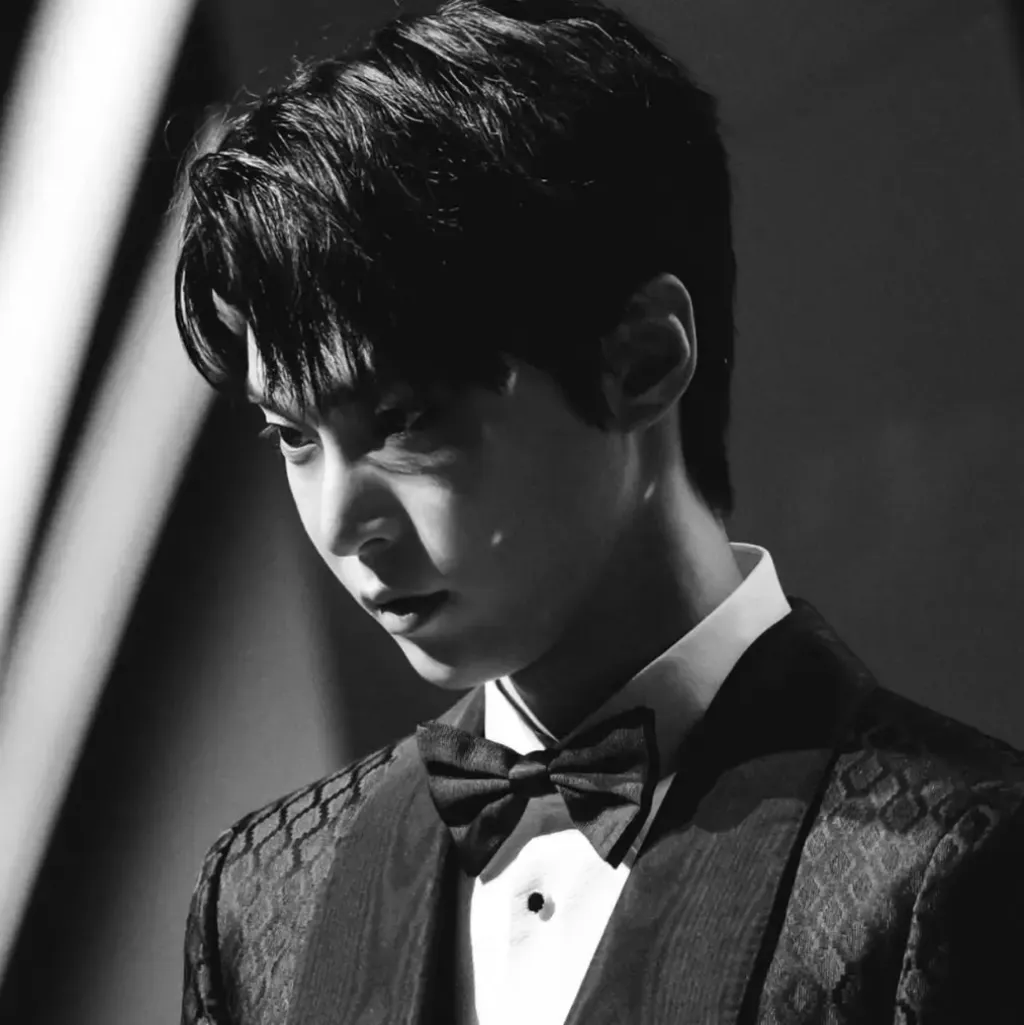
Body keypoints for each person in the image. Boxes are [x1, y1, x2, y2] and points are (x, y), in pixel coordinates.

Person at [174, 1, 1024, 1022]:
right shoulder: (264, 894)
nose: (341, 521)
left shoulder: (955, 862)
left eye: (402, 419)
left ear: (644, 360)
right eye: (292, 434)